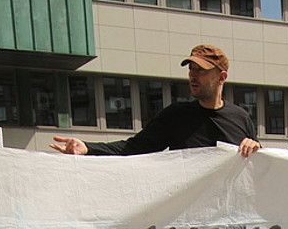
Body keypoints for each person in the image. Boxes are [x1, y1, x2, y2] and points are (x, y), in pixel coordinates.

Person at [50, 45, 260, 158]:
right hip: (189, 227)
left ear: (221, 77)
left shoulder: (240, 118)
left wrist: (256, 147)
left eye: (201, 71)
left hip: (228, 227)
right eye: (191, 69)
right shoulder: (176, 116)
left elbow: (259, 169)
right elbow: (132, 148)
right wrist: (87, 148)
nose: (193, 76)